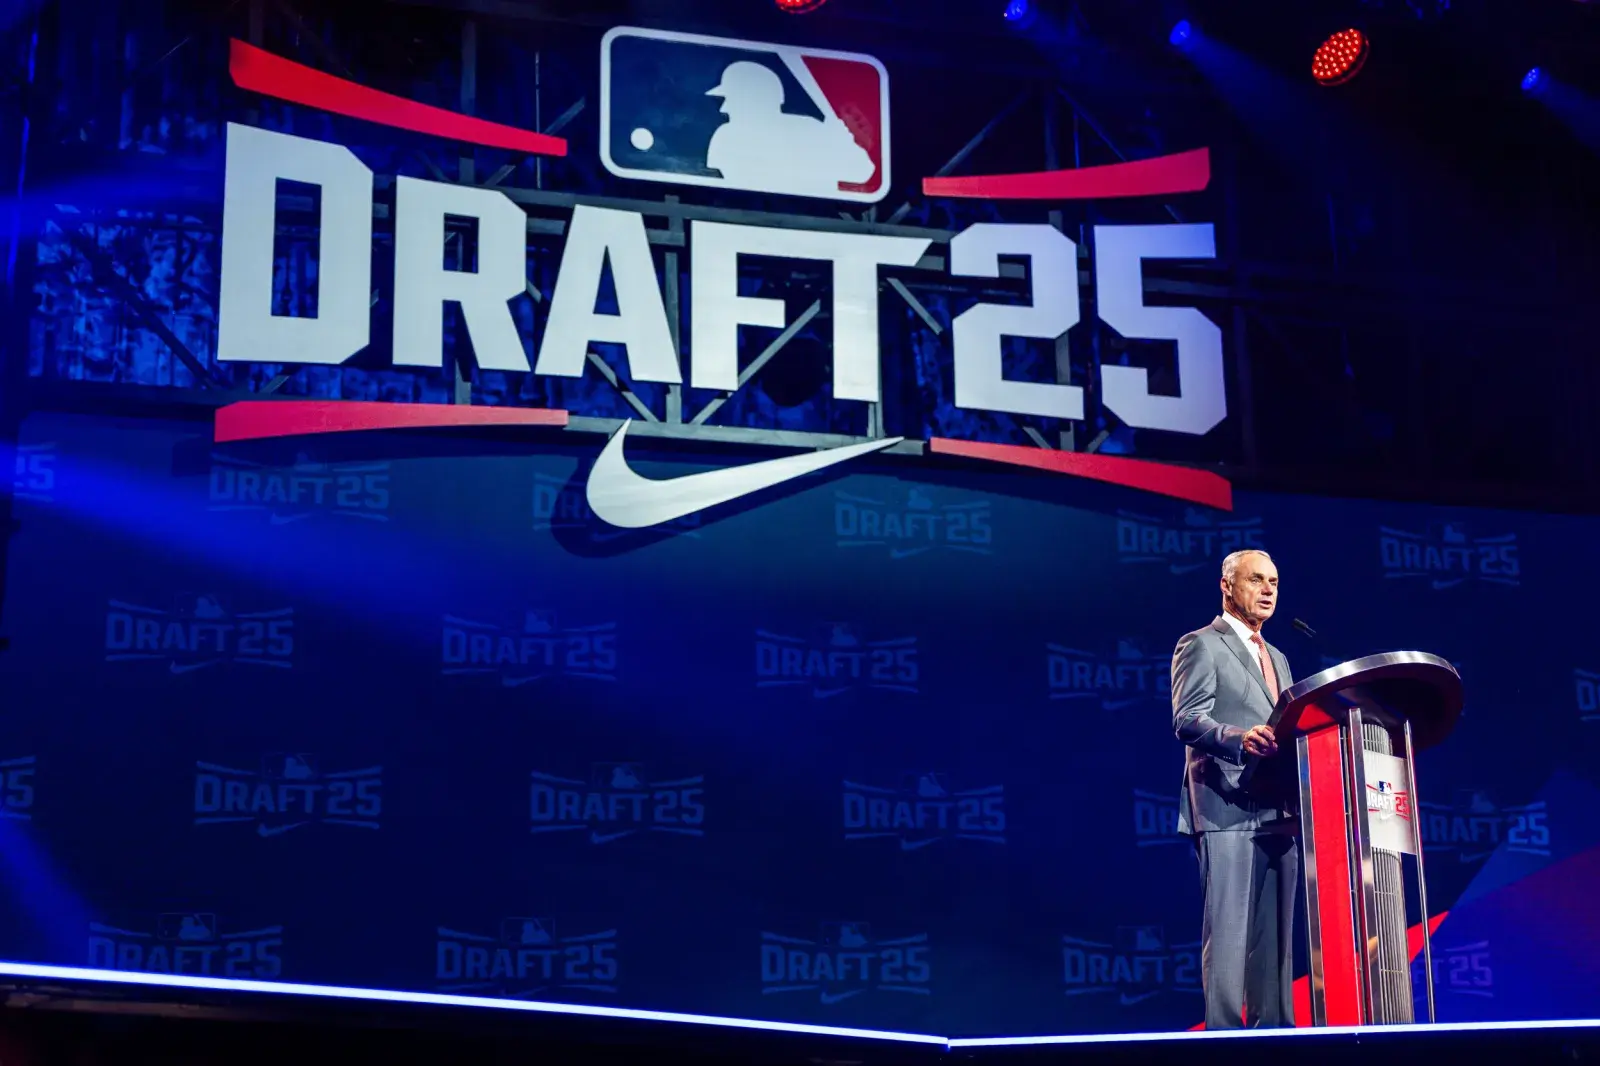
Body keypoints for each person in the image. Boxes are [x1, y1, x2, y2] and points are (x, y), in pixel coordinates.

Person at [1171, 549, 1298, 1029]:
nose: (1268, 590)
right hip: (1225, 807)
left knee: (1276, 944)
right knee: (1227, 937)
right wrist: (1238, 739)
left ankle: (1277, 1039)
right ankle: (1223, 1042)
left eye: (1275, 581)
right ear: (1227, 585)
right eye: (1256, 580)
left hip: (1277, 810)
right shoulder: (1201, 644)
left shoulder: (1280, 657)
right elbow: (1187, 720)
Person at [703, 61, 875, 198]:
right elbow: (736, 187)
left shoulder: (811, 130)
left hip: (817, 228)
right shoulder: (727, 136)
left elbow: (863, 172)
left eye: (732, 99)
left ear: (756, 100)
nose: (723, 109)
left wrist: (843, 145)